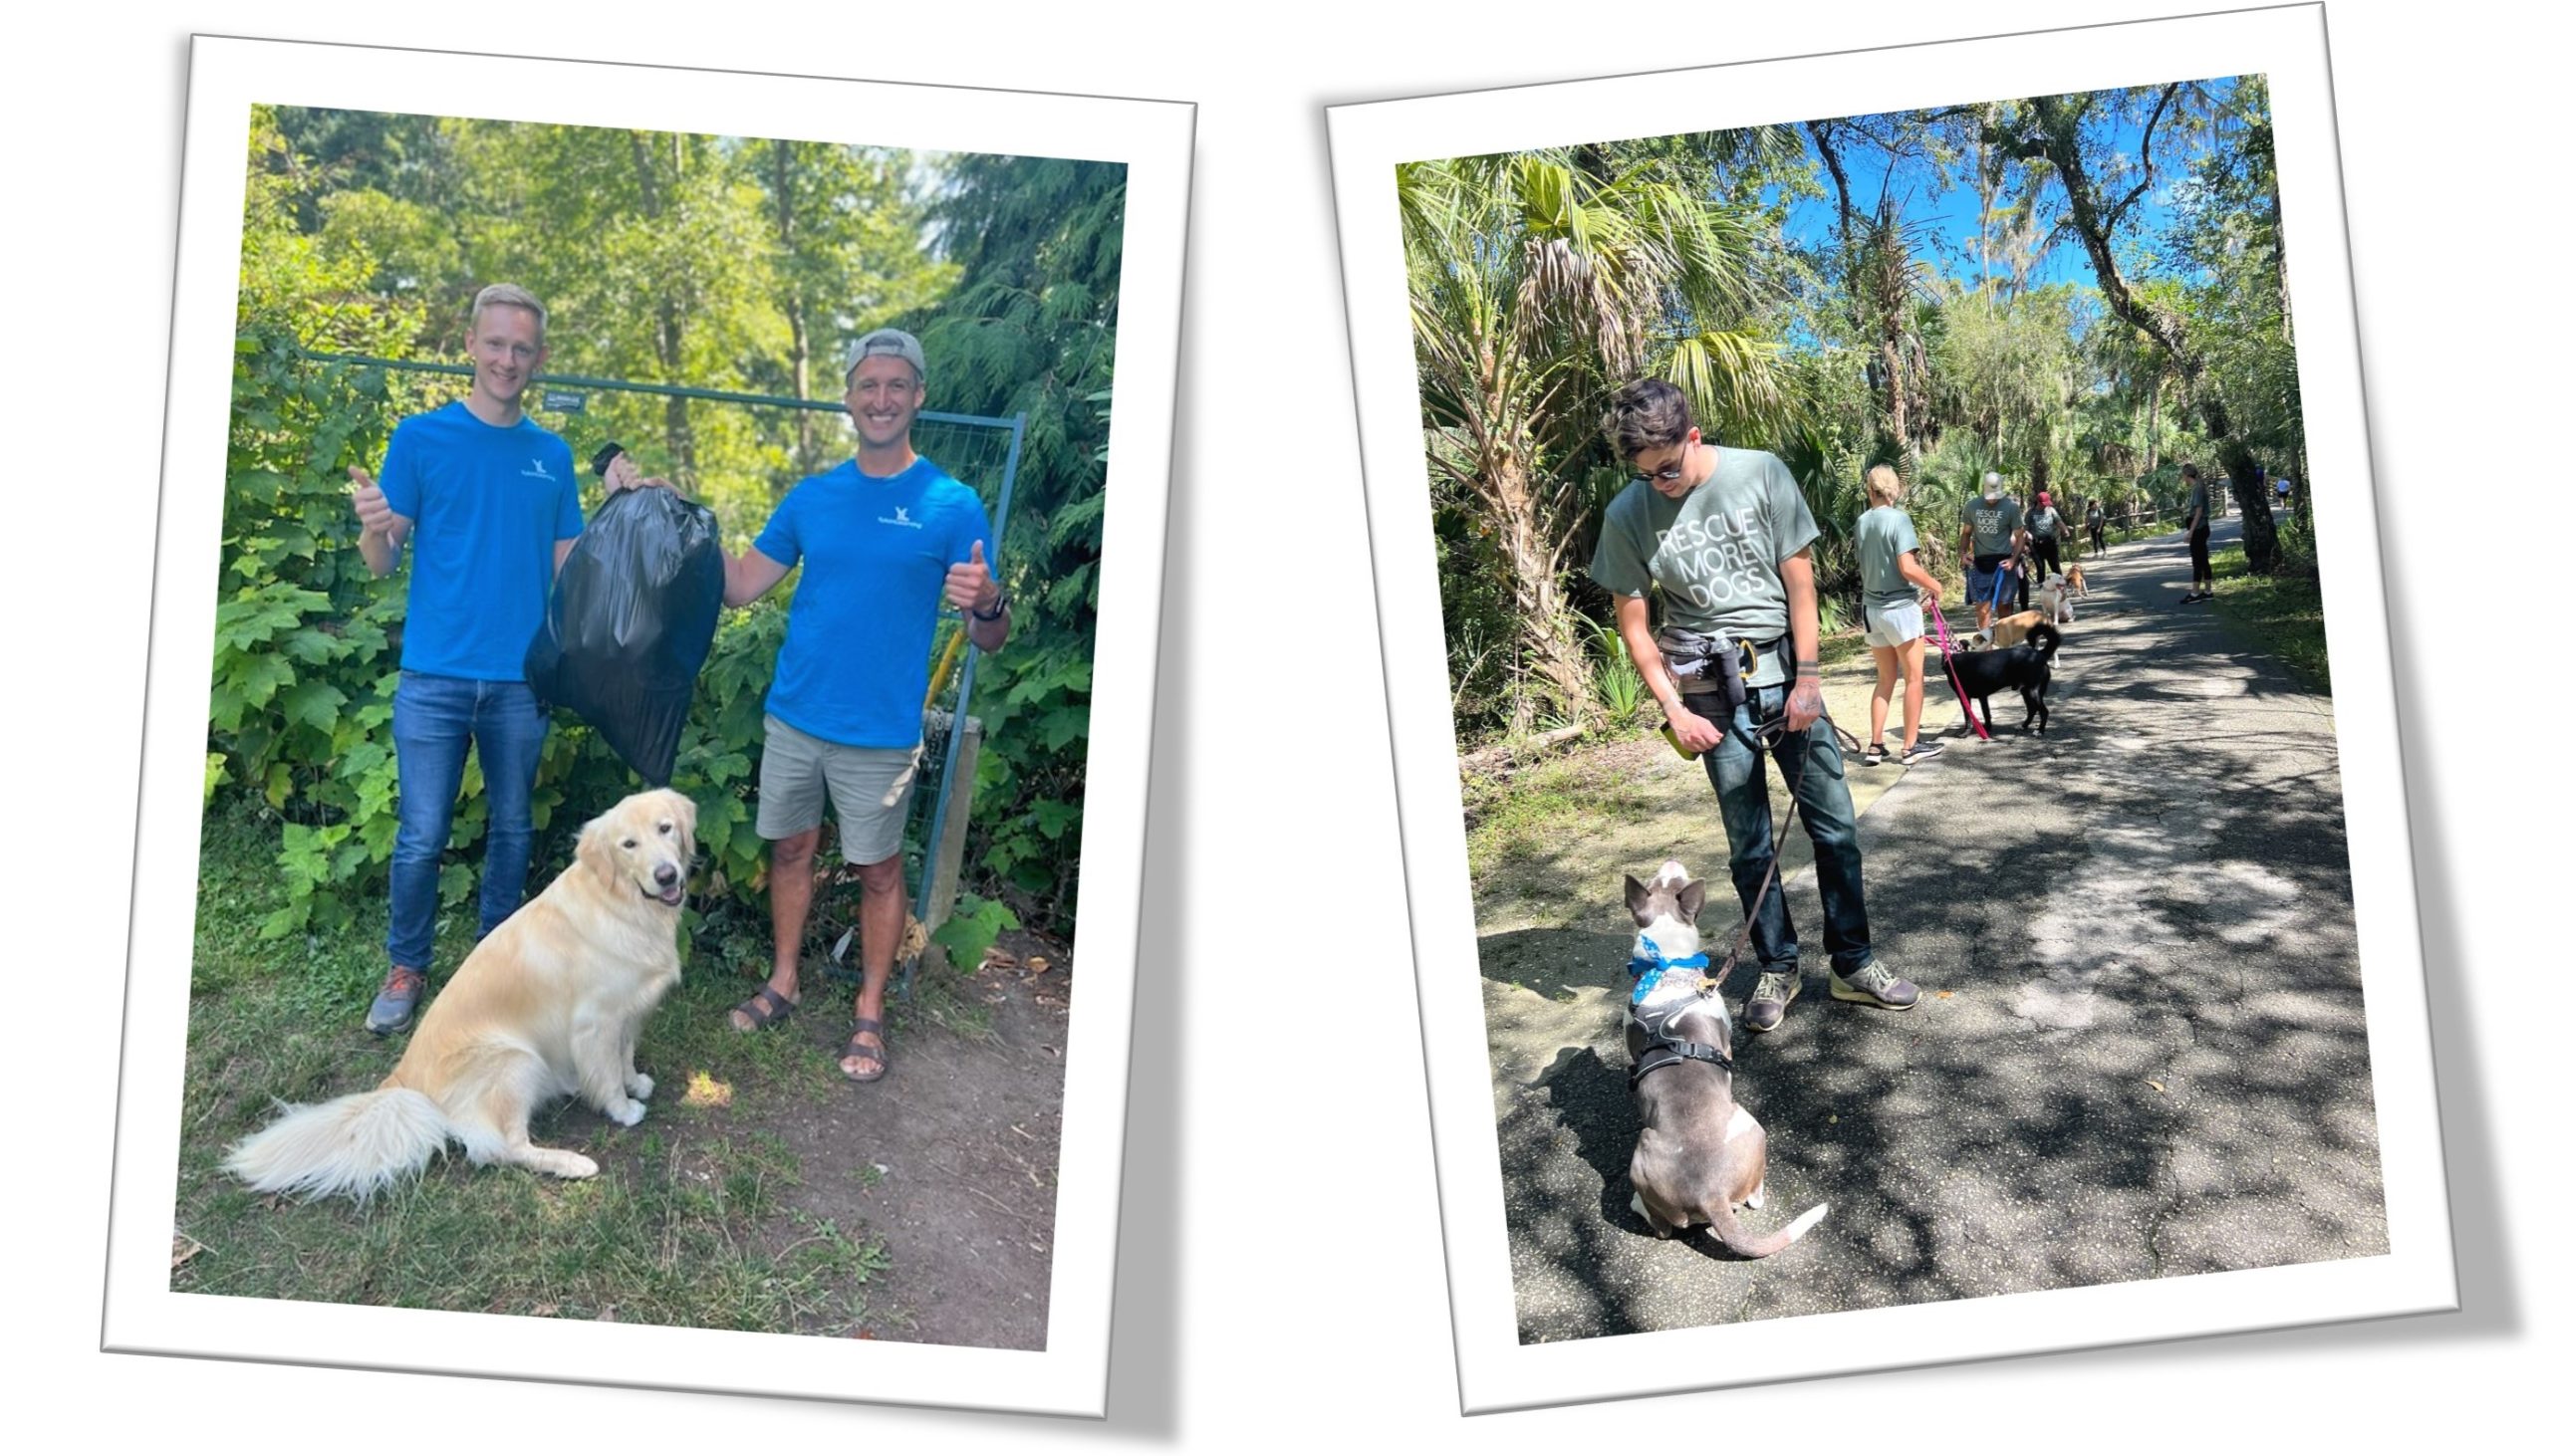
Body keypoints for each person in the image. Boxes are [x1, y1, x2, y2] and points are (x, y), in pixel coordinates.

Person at [719, 329, 1010, 1083]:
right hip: (795, 715)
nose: (881, 399)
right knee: (791, 851)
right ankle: (784, 979)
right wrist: (677, 515)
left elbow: (991, 638)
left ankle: (870, 1009)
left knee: (878, 871)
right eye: (868, 385)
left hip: (880, 731)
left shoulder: (952, 505)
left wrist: (988, 602)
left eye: (896, 385)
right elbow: (740, 585)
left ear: (918, 397)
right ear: (848, 398)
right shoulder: (813, 497)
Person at [1591, 378, 1921, 1033]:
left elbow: (1801, 585)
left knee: (1835, 829)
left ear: (1693, 437)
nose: (1659, 484)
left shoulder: (1761, 473)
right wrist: (1675, 710)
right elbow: (1635, 626)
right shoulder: (1628, 513)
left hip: (1786, 676)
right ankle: (1778, 965)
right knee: (1749, 847)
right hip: (1709, 695)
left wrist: (1809, 679)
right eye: (1645, 475)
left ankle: (1853, 962)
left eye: (1668, 468)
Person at [350, 284, 587, 1036]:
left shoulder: (552, 456)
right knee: (421, 836)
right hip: (435, 676)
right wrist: (375, 526)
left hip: (521, 681)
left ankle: (495, 966)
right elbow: (383, 561)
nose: (506, 360)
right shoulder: (421, 438)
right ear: (470, 345)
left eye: (521, 348)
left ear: (538, 357)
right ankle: (406, 966)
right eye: (495, 344)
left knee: (513, 830)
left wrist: (630, 512)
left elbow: (574, 573)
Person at [1855, 465, 1947, 767]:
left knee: (1885, 679)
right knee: (1914, 678)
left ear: (1870, 490)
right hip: (1900, 609)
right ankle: (1910, 747)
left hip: (1872, 609)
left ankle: (1875, 745)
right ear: (1895, 489)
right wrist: (1934, 585)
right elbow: (1907, 567)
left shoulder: (1862, 521)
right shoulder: (1899, 519)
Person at [1957, 471, 2025, 632]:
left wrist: (2013, 559)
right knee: (1982, 609)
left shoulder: (2011, 507)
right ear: (1983, 489)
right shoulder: (1972, 506)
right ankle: (1985, 644)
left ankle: (2004, 643)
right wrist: (1963, 553)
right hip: (1981, 564)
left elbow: (2020, 536)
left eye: (1996, 496)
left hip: (2004, 564)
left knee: (2005, 608)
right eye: (1989, 496)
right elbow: (1966, 533)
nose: (1992, 499)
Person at [2179, 462, 2215, 605]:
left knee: (2198, 561)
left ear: (2187, 475)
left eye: (2183, 475)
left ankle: (2195, 593)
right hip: (2201, 528)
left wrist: (2191, 532)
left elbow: (2199, 512)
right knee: (2203, 560)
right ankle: (2208, 591)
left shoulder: (2197, 488)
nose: (2183, 478)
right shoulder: (2199, 487)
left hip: (2199, 529)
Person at [2024, 489, 2068, 585]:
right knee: (2040, 567)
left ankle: (2060, 586)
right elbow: (2025, 528)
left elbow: (2059, 521)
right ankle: (2042, 587)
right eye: (2044, 503)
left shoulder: (2051, 510)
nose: (2045, 505)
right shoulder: (2030, 513)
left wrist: (2064, 530)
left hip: (2050, 542)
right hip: (2036, 544)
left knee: (2055, 566)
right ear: (2038, 502)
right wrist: (2027, 536)